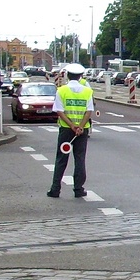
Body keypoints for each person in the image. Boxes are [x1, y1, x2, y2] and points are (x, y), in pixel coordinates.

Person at [47, 63, 94, 199]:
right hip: (82, 131)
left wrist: (72, 125)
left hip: (66, 130)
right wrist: (80, 126)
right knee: (80, 159)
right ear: (80, 76)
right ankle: (78, 189)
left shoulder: (61, 90)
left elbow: (60, 111)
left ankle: (55, 189)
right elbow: (88, 111)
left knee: (61, 159)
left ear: (67, 75)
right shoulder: (87, 91)